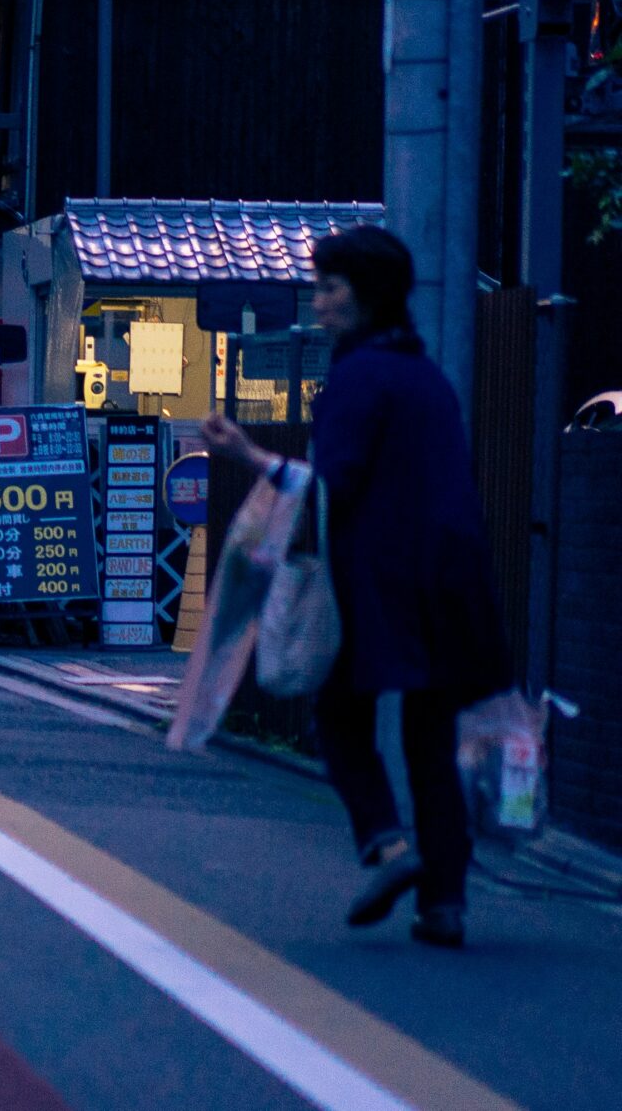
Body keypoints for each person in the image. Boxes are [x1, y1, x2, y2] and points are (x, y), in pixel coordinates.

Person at [201, 226, 509, 949]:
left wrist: (246, 452)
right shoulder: (428, 377)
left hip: (374, 578)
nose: (320, 299)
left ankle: (387, 847)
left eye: (331, 286)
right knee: (430, 737)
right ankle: (445, 904)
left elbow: (330, 485)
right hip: (453, 578)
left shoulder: (357, 377)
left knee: (339, 713)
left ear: (366, 295)